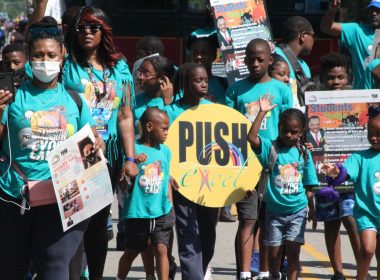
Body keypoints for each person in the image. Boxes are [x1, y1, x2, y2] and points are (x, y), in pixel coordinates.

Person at [0, 19, 102, 280]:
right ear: (28, 58)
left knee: (54, 267)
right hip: (14, 198)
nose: (45, 60)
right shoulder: (11, 97)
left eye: (51, 55)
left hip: (62, 199)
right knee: (11, 269)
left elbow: (90, 146)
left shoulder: (74, 100)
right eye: (38, 55)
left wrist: (95, 148)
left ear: (62, 56)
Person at [63, 7, 138, 280]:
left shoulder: (119, 67)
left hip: (109, 154)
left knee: (98, 224)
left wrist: (130, 159)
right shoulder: (66, 63)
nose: (86, 33)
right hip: (73, 153)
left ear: (104, 31)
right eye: (81, 27)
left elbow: (126, 115)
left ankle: (94, 276)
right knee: (73, 223)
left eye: (93, 27)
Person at [225, 38, 293, 280]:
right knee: (247, 219)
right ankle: (243, 272)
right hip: (243, 164)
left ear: (270, 60)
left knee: (269, 221)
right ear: (243, 60)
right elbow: (228, 127)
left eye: (260, 59)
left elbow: (289, 126)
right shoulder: (235, 89)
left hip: (273, 164)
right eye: (250, 59)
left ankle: (264, 271)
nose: (255, 63)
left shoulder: (282, 90)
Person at [247, 96, 318, 280]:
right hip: (274, 213)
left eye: (294, 132)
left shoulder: (304, 152)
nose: (288, 135)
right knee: (274, 257)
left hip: (298, 211)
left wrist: (312, 207)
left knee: (293, 254)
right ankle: (275, 275)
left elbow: (308, 184)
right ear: (279, 127)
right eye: (285, 130)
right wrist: (262, 112)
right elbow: (251, 137)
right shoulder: (270, 149)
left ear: (301, 132)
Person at [164, 62, 216, 280]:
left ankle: (200, 272)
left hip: (211, 184)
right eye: (197, 80)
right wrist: (168, 174)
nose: (203, 84)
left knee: (208, 235)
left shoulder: (215, 110)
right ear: (185, 83)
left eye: (205, 79)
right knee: (187, 234)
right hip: (181, 185)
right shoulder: (170, 112)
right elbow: (161, 147)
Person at [322, 105, 380, 280]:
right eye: (370, 133)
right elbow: (345, 172)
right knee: (368, 249)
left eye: (379, 133)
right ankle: (360, 277)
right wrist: (335, 170)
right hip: (366, 213)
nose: (374, 137)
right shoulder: (359, 157)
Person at [117, 107, 174, 280]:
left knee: (161, 248)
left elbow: (166, 181)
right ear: (149, 127)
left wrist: (170, 205)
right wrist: (133, 161)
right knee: (132, 251)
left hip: (161, 211)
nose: (167, 133)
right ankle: (120, 277)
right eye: (164, 129)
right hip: (138, 212)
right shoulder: (132, 150)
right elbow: (121, 184)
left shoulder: (166, 151)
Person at [187, 34, 236, 222]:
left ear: (214, 55)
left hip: (215, 144)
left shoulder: (223, 83)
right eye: (195, 53)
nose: (199, 57)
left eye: (204, 53)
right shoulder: (181, 80)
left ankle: (222, 206)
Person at [320, 0, 380, 89]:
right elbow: (326, 27)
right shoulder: (357, 31)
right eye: (371, 10)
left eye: (378, 10)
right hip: (363, 97)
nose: (374, 13)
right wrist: (331, 10)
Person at [275, 16, 315, 109]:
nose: (314, 40)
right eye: (313, 36)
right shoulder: (274, 55)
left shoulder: (304, 65)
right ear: (303, 36)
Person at [133, 55, 175, 132]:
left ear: (161, 79)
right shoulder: (134, 102)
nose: (140, 77)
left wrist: (168, 105)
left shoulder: (176, 102)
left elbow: (172, 131)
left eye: (146, 73)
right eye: (140, 72)